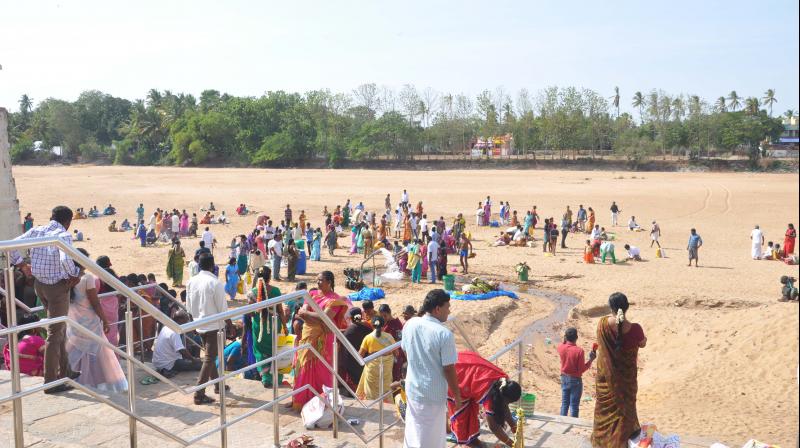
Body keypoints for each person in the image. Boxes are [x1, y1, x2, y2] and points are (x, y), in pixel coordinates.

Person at [9, 205, 81, 394]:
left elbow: (11, 246)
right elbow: (66, 260)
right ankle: (51, 382)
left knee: (59, 328)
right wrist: (75, 275)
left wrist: (22, 266)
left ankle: (66, 372)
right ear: (68, 221)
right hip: (57, 289)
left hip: (39, 286)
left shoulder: (37, 230)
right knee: (55, 334)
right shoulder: (62, 234)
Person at [401, 289, 461, 448]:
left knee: (414, 430)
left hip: (413, 387)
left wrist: (419, 364)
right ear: (437, 309)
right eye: (448, 306)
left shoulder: (411, 323)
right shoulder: (444, 334)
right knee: (430, 436)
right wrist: (457, 395)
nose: (449, 310)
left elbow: (405, 350)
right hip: (432, 394)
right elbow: (449, 369)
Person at [65, 248, 128, 393]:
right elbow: (95, 303)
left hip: (75, 320)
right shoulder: (87, 279)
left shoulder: (66, 278)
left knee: (76, 350)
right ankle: (94, 382)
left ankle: (76, 379)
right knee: (97, 352)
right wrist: (105, 320)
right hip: (90, 321)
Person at [592, 292, 646, 447]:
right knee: (625, 410)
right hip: (626, 381)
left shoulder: (602, 324)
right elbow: (642, 343)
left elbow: (603, 345)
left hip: (606, 379)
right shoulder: (635, 329)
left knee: (605, 410)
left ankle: (601, 441)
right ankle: (621, 440)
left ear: (611, 308)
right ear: (626, 307)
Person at [292, 271, 351, 411]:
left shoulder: (335, 300)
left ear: (329, 282)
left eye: (321, 280)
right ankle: (301, 400)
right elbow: (305, 313)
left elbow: (326, 318)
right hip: (308, 336)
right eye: (317, 280)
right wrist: (316, 317)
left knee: (322, 370)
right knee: (302, 368)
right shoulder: (312, 295)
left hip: (324, 340)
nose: (317, 283)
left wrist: (308, 315)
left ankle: (322, 403)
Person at [447, 351, 521, 447]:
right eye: (508, 402)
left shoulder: (503, 383)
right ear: (504, 398)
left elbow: (504, 406)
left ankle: (471, 439)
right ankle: (465, 441)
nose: (507, 405)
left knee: (470, 411)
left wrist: (514, 426)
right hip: (456, 373)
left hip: (465, 362)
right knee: (462, 415)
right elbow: (493, 427)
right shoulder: (491, 394)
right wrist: (512, 444)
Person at [185, 253, 232, 405]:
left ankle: (218, 385)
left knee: (209, 356)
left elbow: (189, 307)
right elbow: (223, 309)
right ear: (212, 265)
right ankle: (199, 394)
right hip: (214, 327)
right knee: (210, 358)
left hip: (199, 324)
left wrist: (193, 322)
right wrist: (230, 325)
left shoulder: (191, 281)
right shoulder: (215, 282)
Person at [245, 266, 286, 387]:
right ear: (269, 277)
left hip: (260, 327)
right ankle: (277, 378)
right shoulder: (276, 291)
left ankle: (266, 378)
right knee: (275, 350)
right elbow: (281, 311)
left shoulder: (251, 293)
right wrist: (285, 326)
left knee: (261, 352)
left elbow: (250, 313)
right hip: (274, 325)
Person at [557, 327, 596, 418]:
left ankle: (562, 424)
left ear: (565, 337)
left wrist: (565, 339)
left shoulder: (560, 347)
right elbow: (581, 369)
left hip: (564, 378)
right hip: (575, 380)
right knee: (574, 406)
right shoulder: (579, 351)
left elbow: (563, 343)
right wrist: (591, 360)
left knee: (564, 404)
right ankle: (572, 426)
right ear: (577, 337)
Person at [356, 315, 396, 401]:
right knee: (385, 389)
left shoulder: (368, 337)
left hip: (372, 369)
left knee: (371, 392)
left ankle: (371, 408)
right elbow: (396, 353)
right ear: (384, 324)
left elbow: (360, 355)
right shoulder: (389, 337)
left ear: (372, 325)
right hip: (385, 369)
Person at [152, 311, 202, 377]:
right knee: (200, 365)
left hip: (158, 362)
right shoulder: (174, 332)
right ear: (180, 320)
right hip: (169, 364)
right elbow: (181, 350)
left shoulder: (166, 327)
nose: (187, 321)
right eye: (186, 319)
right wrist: (193, 359)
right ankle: (166, 370)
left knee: (196, 343)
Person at [339, 307, 372, 394]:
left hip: (353, 363)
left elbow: (345, 351)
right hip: (366, 360)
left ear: (351, 318)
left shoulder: (349, 331)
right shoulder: (368, 327)